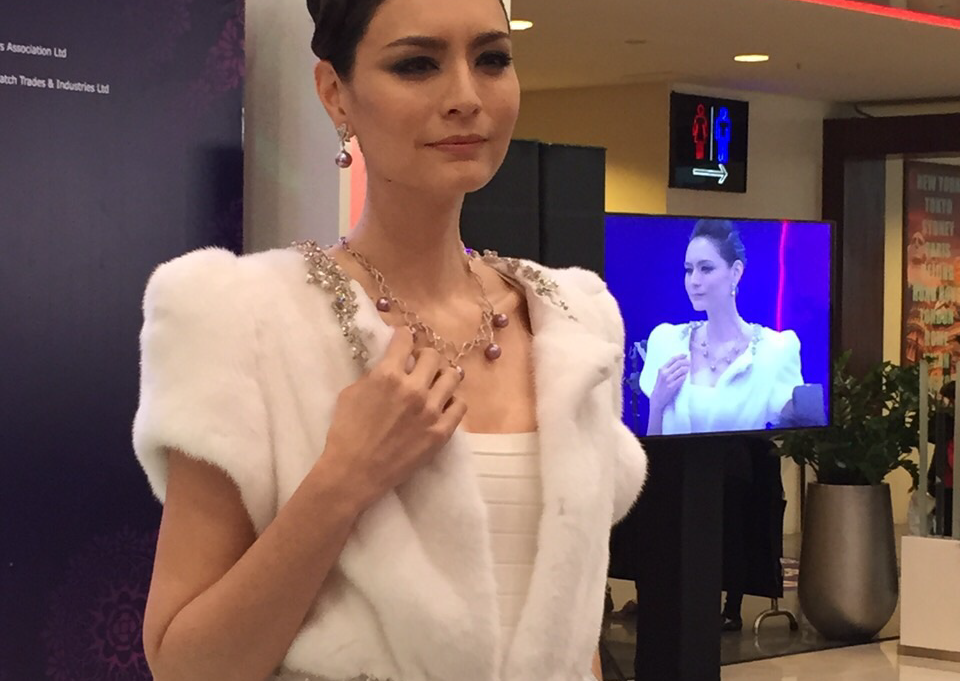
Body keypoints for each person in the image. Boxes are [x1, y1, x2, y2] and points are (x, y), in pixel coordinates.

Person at [131, 2, 648, 681]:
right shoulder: (243, 318)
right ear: (334, 92)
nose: (466, 96)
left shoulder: (573, 320)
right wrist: (342, 480)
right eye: (417, 64)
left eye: (492, 59)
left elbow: (572, 633)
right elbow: (186, 664)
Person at [639, 219, 805, 436]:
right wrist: (657, 404)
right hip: (673, 460)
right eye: (689, 270)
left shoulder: (774, 350)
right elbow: (652, 447)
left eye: (706, 268)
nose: (694, 280)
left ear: (735, 272)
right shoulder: (666, 341)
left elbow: (802, 433)